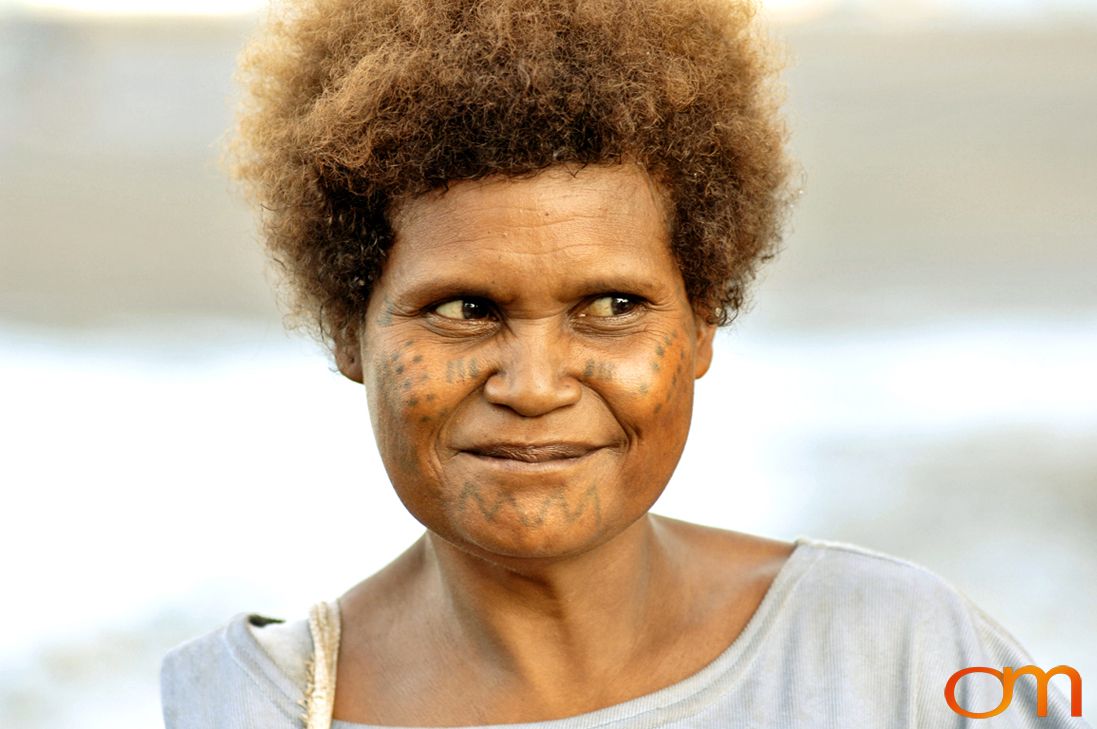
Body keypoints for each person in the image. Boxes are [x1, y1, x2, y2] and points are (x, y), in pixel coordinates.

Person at [161, 0, 1085, 727]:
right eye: (462, 309)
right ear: (344, 326)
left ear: (702, 322)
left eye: (611, 307)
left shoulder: (903, 657)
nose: (533, 384)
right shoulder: (248, 707)